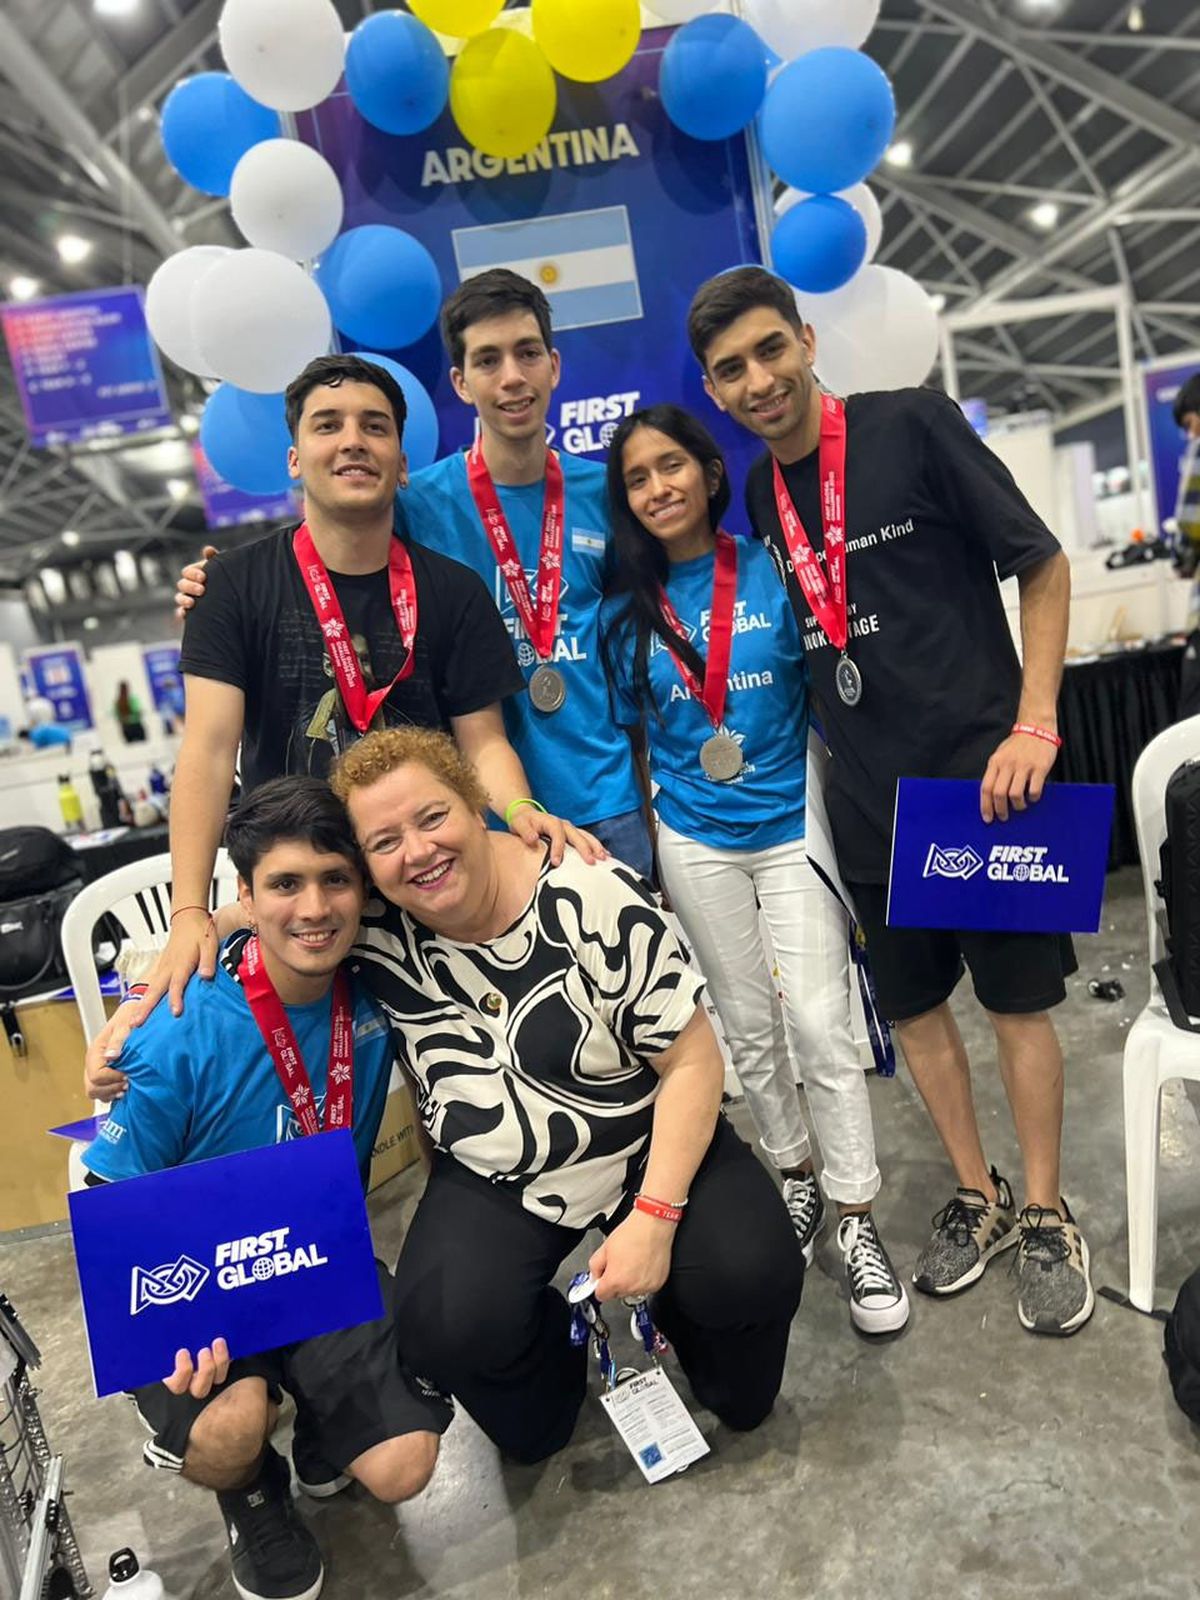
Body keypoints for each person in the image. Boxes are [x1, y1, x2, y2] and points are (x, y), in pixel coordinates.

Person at [685, 265, 1091, 1337]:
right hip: (868, 804)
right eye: (731, 369)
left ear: (807, 341)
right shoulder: (760, 499)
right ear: (714, 390)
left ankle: (1046, 1210)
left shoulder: (913, 424)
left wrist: (1036, 721)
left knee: (1016, 1007)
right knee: (916, 1015)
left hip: (986, 782)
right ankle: (977, 1191)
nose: (759, 380)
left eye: (771, 349)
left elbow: (1043, 563)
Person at [330, 726, 806, 1461]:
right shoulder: (370, 929)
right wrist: (204, 927)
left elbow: (692, 1061)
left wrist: (656, 1218)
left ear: (476, 802)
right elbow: (278, 918)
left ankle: (684, 1309)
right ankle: (555, 1354)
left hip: (643, 1138)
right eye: (383, 842)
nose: (417, 851)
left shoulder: (587, 889)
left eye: (432, 817)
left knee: (749, 1283)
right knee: (447, 1332)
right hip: (500, 1172)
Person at [81, 778, 451, 1600]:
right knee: (230, 1428)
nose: (314, 908)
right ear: (244, 898)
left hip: (314, 1261)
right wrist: (174, 1317)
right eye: (285, 884)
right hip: (197, 1281)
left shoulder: (379, 990)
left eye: (334, 880)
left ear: (362, 890)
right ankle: (252, 1494)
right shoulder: (181, 1026)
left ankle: (325, 1425)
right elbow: (112, 1203)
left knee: (405, 1464)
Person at [144, 352, 596, 1022]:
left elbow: (483, 744)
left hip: (424, 879)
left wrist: (522, 809)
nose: (353, 440)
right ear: (294, 459)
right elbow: (208, 754)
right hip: (306, 899)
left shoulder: (454, 592)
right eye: (328, 425)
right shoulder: (231, 588)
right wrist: (188, 910)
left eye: (374, 426)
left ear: (402, 464)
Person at [175, 273, 653, 880]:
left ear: (553, 366)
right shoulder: (414, 502)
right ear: (460, 381)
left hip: (597, 797)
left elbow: (642, 644)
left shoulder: (607, 496)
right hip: (458, 822)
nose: (511, 377)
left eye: (528, 353)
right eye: (488, 359)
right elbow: (328, 538)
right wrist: (217, 585)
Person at [601, 403, 908, 1336]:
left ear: (707, 472)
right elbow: (637, 740)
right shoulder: (626, 612)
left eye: (671, 466)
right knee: (746, 1027)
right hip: (694, 836)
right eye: (637, 479)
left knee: (819, 1019)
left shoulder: (774, 566)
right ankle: (796, 1175)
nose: (657, 488)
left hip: (789, 822)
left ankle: (856, 1214)